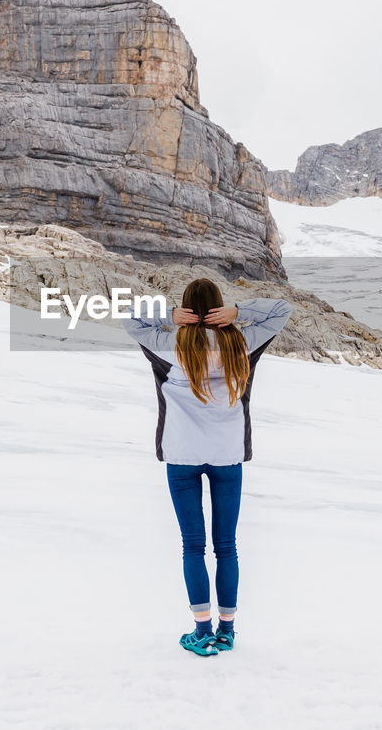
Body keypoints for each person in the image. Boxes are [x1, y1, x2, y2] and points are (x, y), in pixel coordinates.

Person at [122, 278, 293, 657]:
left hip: (181, 454)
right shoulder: (240, 345)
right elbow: (282, 310)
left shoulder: (170, 345)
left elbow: (129, 317)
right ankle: (227, 630)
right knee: (226, 546)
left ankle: (202, 631)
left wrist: (168, 317)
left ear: (186, 309)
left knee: (193, 546)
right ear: (219, 307)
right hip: (227, 454)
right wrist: (239, 314)